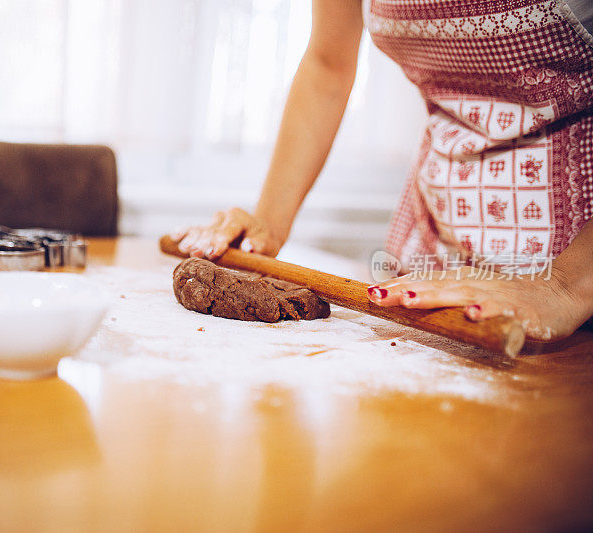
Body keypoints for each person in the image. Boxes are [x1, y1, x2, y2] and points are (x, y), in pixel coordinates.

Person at [171, 0, 593, 342]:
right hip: (432, 254)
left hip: (575, 271)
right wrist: (269, 222)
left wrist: (566, 287)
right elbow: (327, 65)